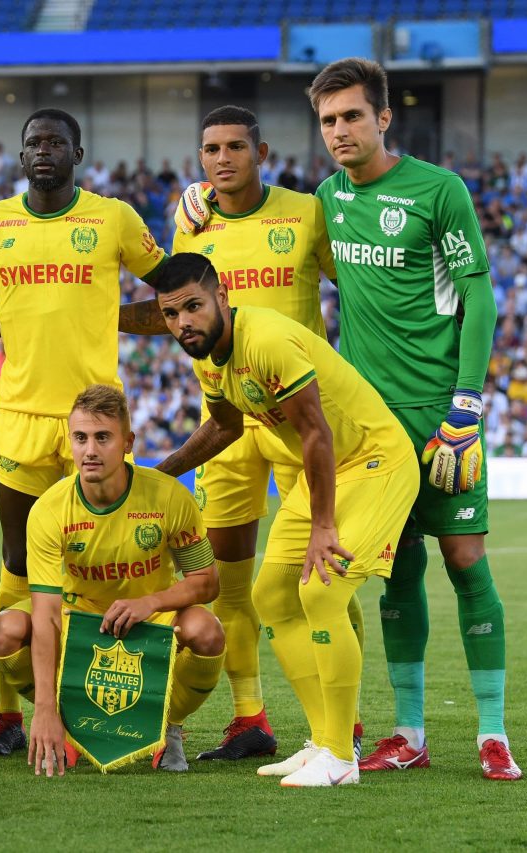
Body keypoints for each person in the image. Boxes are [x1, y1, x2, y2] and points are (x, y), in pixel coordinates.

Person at [309, 58, 519, 781]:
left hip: (442, 416)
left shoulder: (439, 190)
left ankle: (493, 732)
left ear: (383, 118)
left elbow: (479, 295)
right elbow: (268, 229)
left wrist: (468, 401)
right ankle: (409, 733)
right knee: (395, 570)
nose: (340, 130)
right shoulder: (328, 197)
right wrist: (203, 199)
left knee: (465, 560)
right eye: (328, 120)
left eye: (352, 115)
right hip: (372, 426)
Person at [154, 252, 418, 787]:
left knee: (321, 591)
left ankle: (341, 757)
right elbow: (225, 426)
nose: (183, 323)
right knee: (272, 596)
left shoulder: (267, 340)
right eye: (171, 314)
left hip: (376, 462)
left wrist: (323, 528)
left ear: (221, 297)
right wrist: (158, 475)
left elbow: (316, 430)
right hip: (330, 471)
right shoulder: (208, 358)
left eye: (193, 307)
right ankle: (323, 742)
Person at [166, 105, 359, 761]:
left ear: (262, 152)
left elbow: (357, 287)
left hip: (299, 420)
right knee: (228, 579)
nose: (222, 159)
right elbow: (177, 308)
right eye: (211, 149)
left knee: (323, 574)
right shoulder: (192, 223)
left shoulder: (306, 213)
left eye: (235, 147)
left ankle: (346, 721)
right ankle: (249, 718)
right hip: (226, 419)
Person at [0, 108, 167, 755]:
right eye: (34, 142)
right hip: (19, 417)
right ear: (20, 155)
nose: (44, 150)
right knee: (17, 563)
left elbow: (171, 286)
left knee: (115, 565)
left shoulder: (114, 218)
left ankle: (145, 711)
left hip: (95, 420)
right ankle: (7, 714)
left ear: (77, 153)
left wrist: (116, 318)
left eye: (56, 141)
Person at [0, 385, 224, 775]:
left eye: (103, 437)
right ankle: (66, 721)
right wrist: (44, 709)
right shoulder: (49, 510)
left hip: (150, 620)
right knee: (4, 631)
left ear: (128, 442)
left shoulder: (168, 497)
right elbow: (46, 614)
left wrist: (150, 603)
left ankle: (168, 727)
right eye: (80, 438)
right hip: (79, 619)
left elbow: (207, 581)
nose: (90, 450)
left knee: (206, 631)